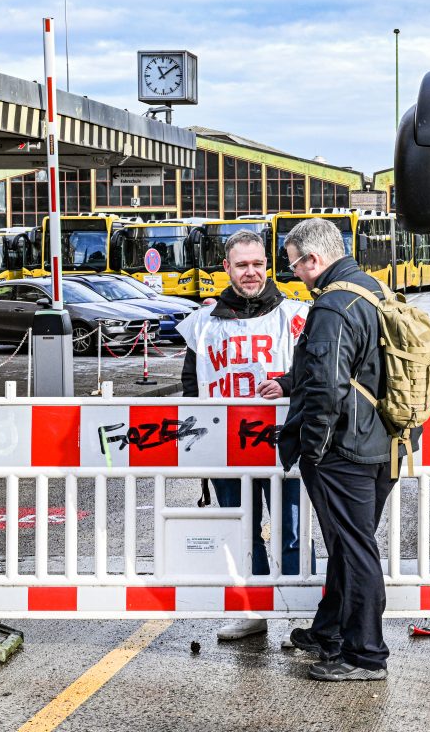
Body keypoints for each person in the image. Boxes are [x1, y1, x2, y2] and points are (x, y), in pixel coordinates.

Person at [176, 229, 309, 641]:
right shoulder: (203, 322)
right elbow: (190, 385)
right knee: (239, 529)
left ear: (267, 266)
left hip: (282, 443)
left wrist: (286, 384)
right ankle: (251, 609)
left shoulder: (295, 315)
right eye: (242, 265)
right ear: (227, 268)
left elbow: (312, 370)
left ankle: (297, 609)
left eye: (257, 264)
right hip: (226, 446)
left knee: (290, 529)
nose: (250, 273)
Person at [278, 218, 393, 682]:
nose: (296, 276)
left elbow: (325, 388)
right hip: (383, 442)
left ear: (314, 259)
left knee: (353, 548)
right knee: (348, 545)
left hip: (345, 450)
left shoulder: (333, 305)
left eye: (295, 267)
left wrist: (314, 447)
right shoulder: (374, 291)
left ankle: (365, 654)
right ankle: (330, 632)